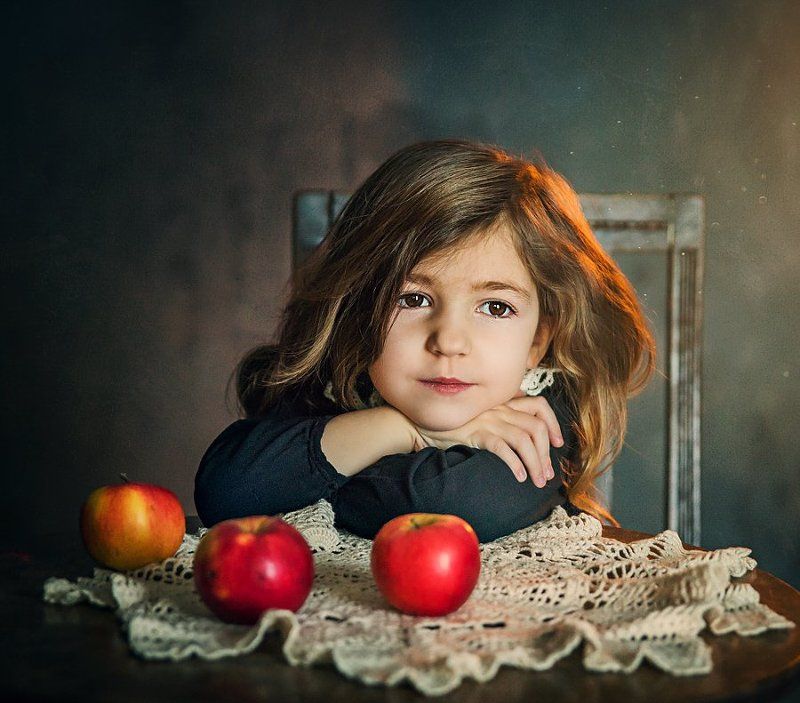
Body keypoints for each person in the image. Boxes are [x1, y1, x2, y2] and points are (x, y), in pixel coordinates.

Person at [194, 139, 655, 542]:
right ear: (357, 311)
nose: (449, 342)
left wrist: (315, 477)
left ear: (538, 340)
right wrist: (401, 429)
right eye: (412, 299)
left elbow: (446, 504)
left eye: (496, 307)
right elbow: (225, 491)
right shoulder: (344, 385)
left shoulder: (538, 416)